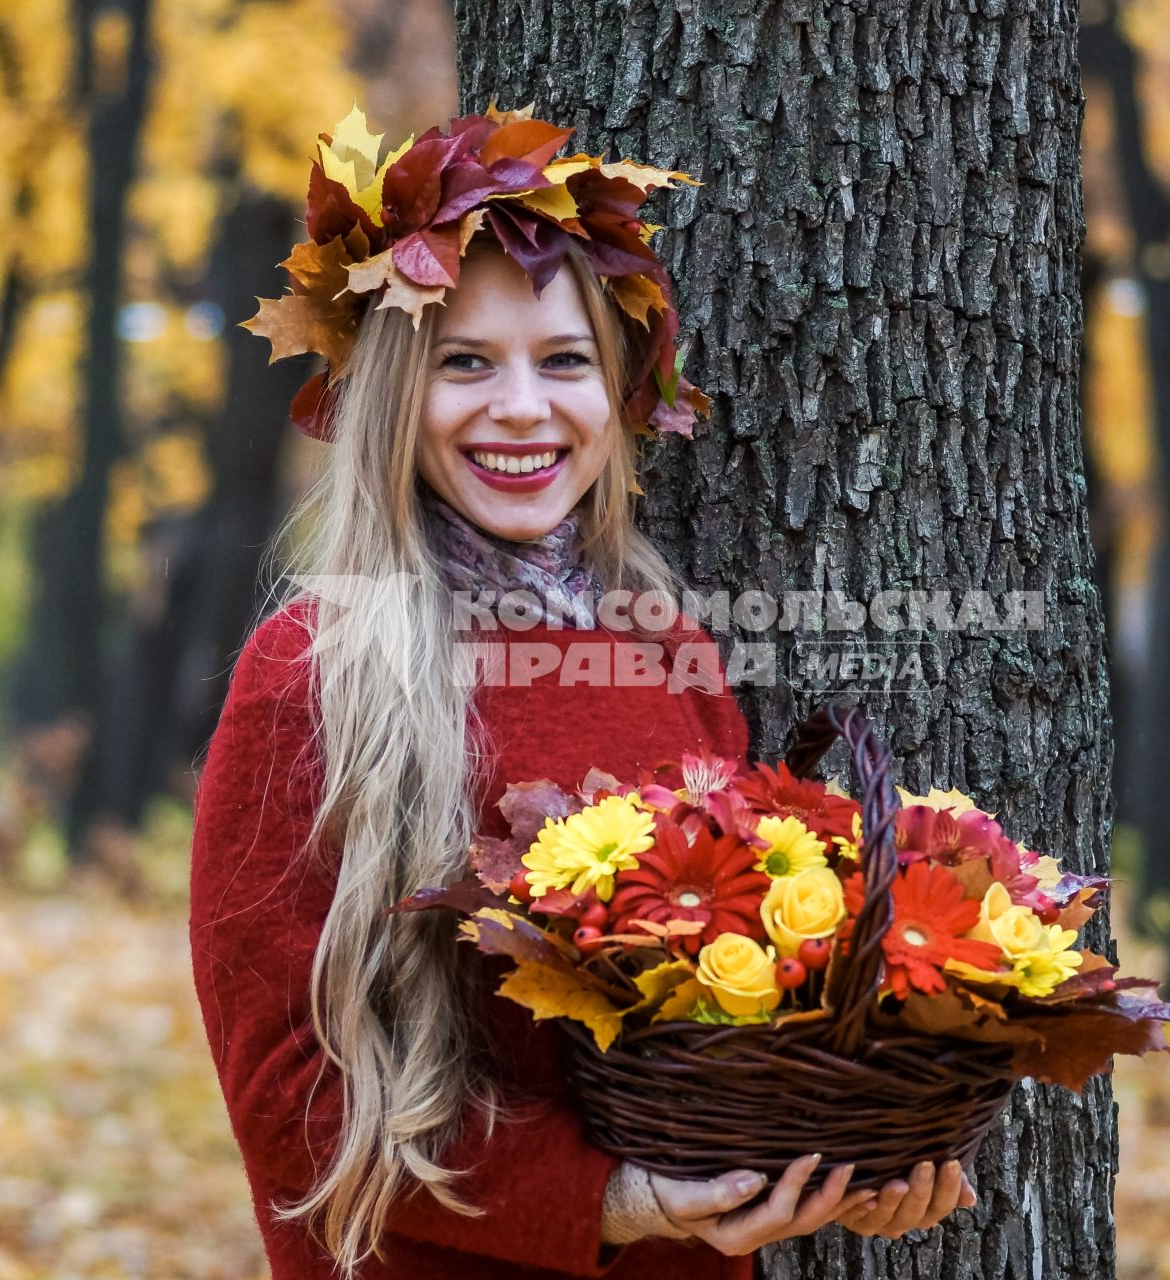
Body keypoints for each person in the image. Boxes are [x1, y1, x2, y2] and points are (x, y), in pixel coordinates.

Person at [189, 103, 976, 1280]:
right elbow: (288, 1094)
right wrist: (615, 1200)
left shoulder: (670, 653)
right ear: (395, 396)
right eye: (465, 362)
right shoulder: (313, 672)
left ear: (618, 395)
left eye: (565, 362)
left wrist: (845, 1151)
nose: (522, 408)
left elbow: (730, 1005)